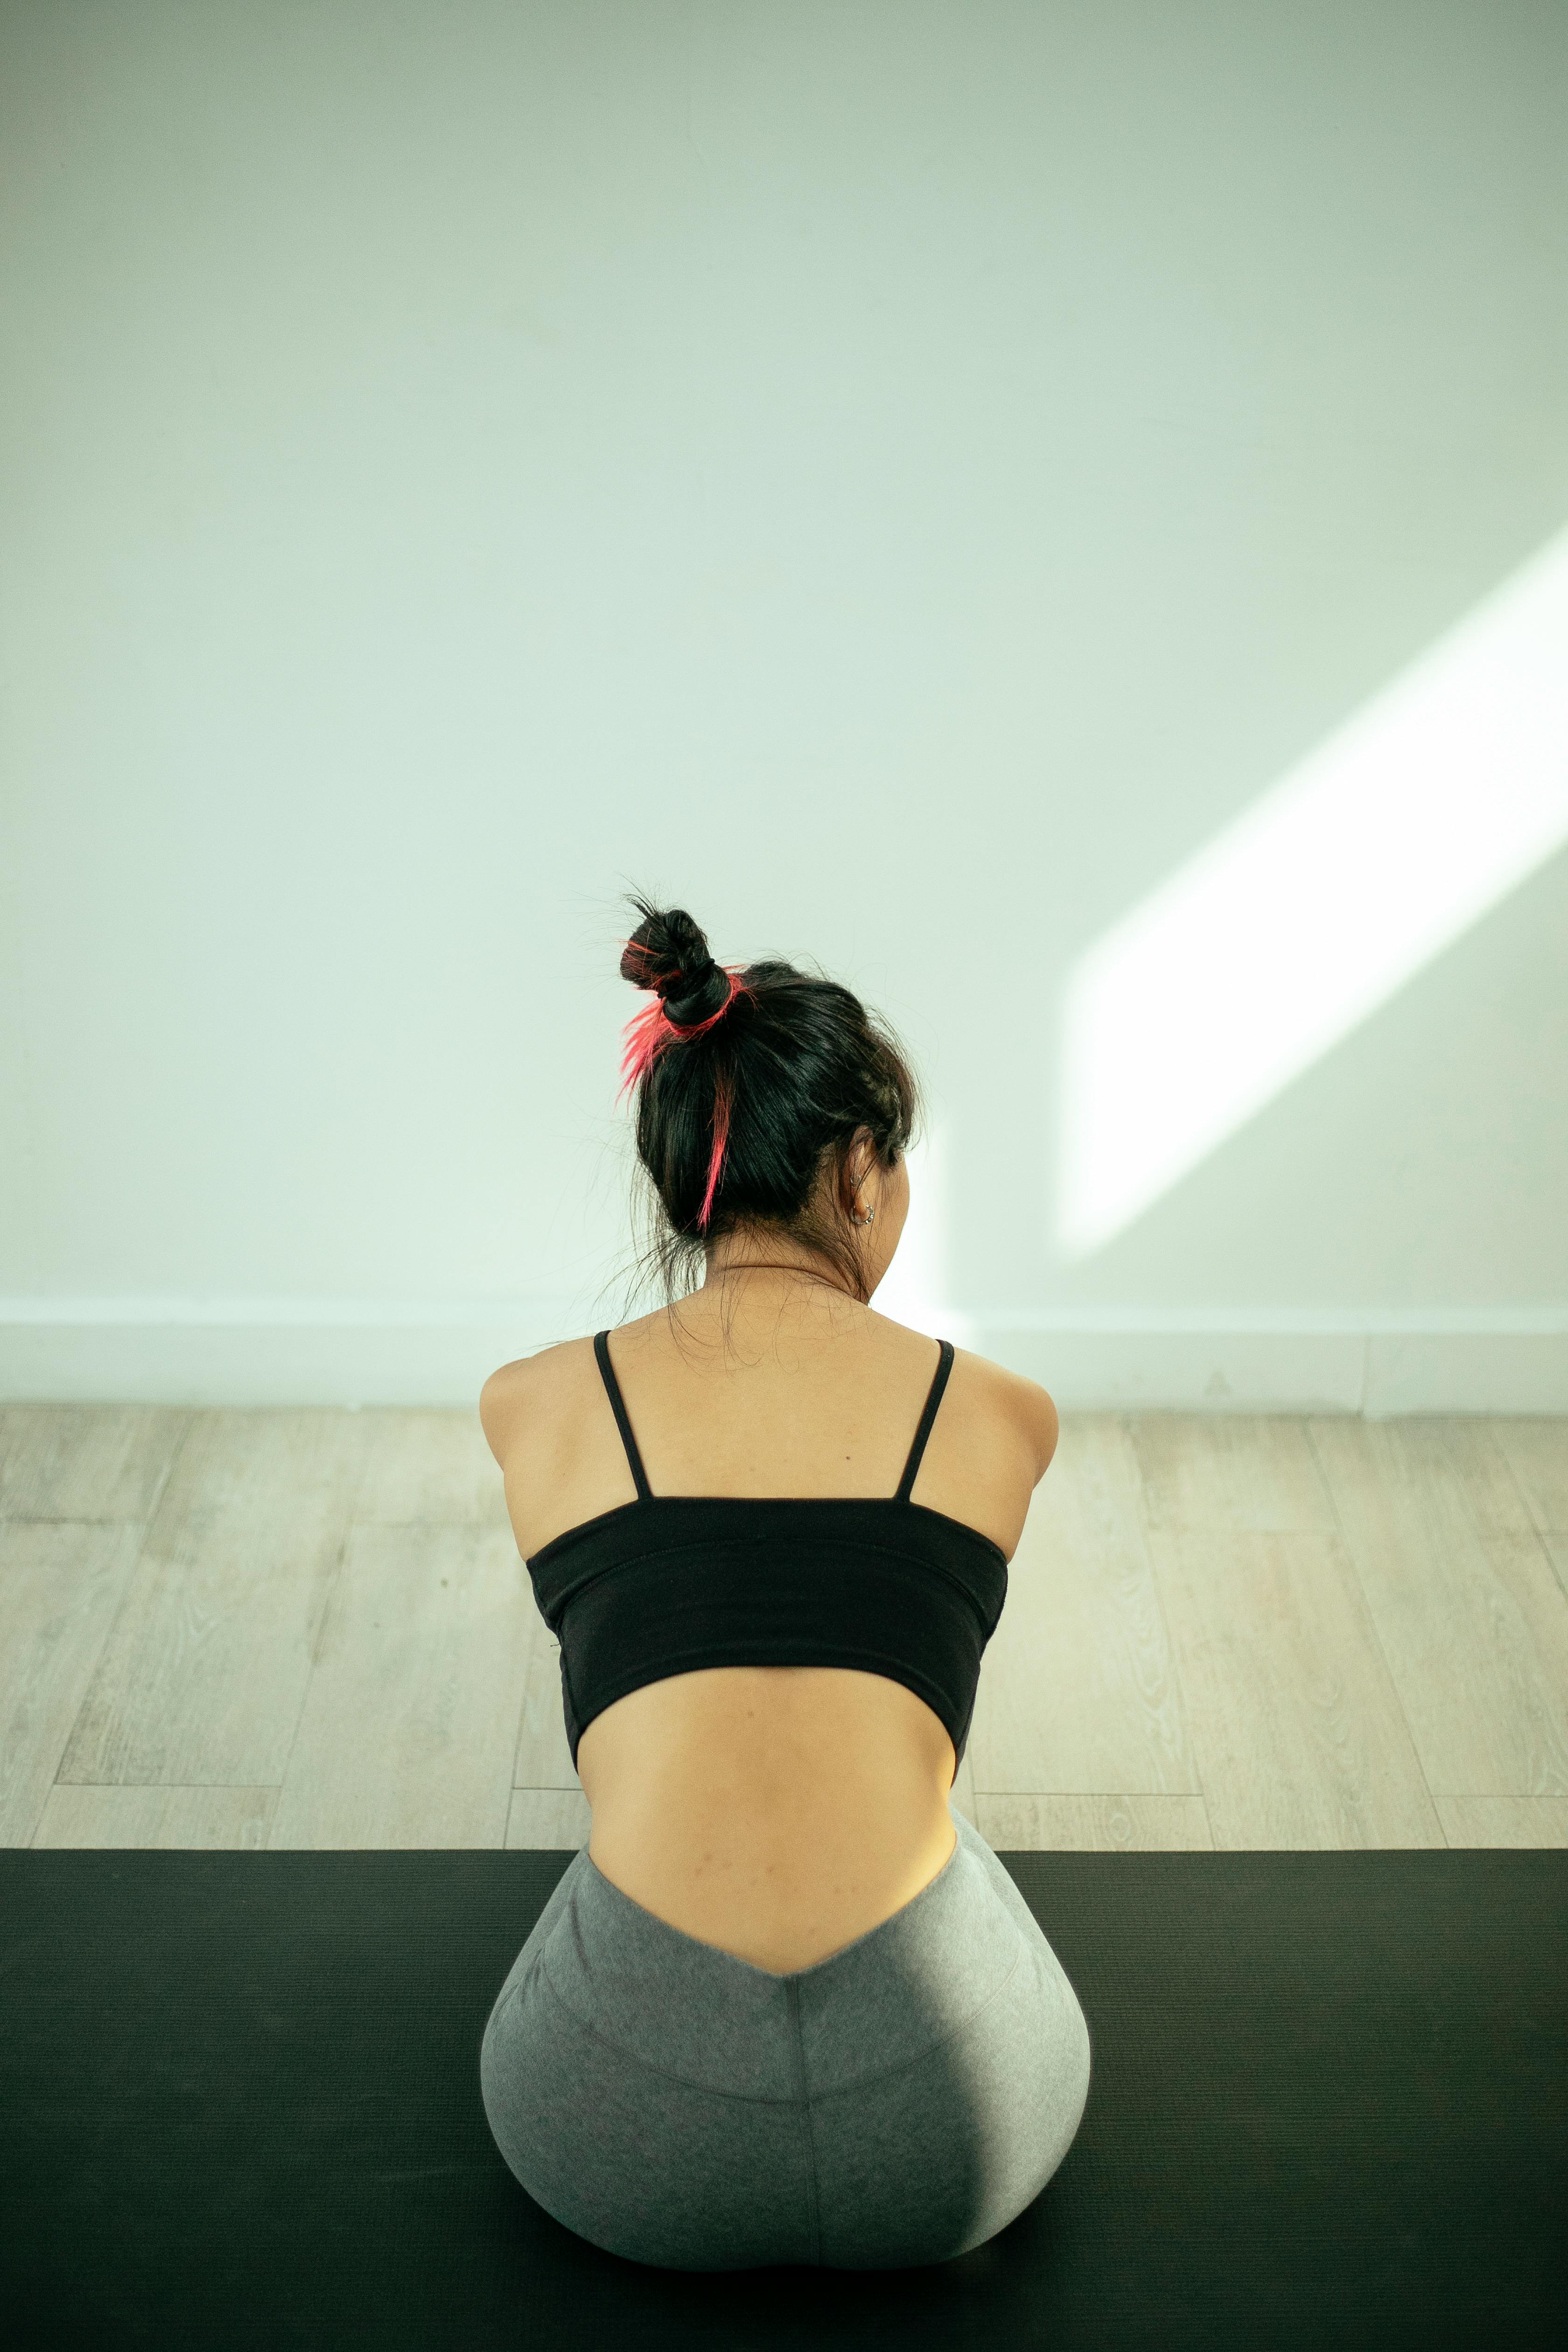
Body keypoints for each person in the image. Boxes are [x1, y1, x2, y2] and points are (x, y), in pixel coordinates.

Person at [476, 898, 1092, 2270]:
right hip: (965, 2128)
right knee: (940, 1822)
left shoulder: (534, 1408)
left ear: (679, 1184)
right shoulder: (997, 1415)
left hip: (602, 2124)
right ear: (861, 1172)